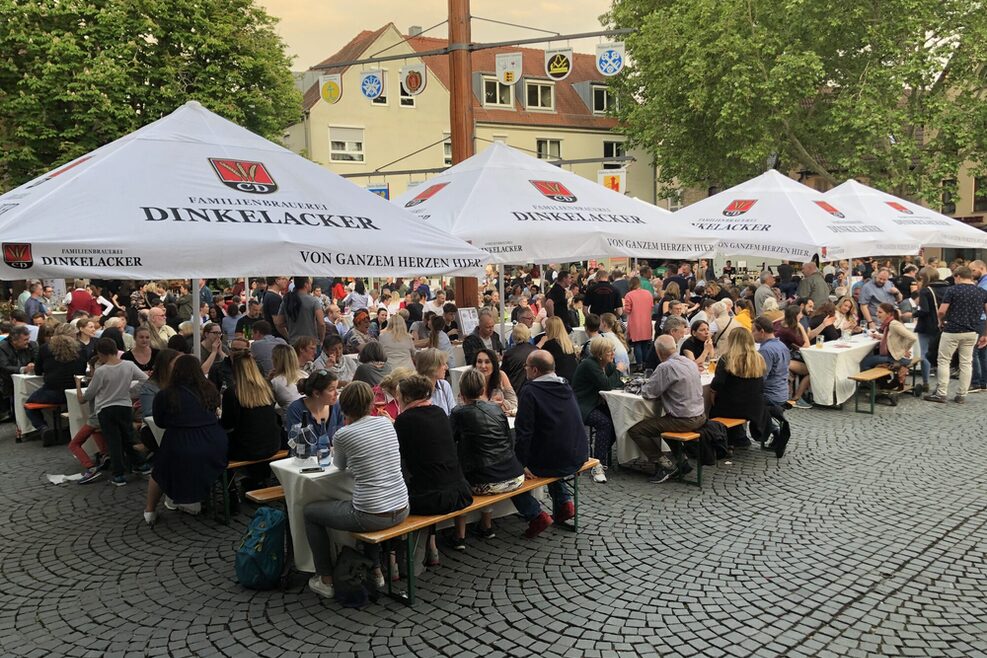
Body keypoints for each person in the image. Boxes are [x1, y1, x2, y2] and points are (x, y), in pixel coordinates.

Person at [303, 381, 409, 598]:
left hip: (371, 515)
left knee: (310, 513)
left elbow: (339, 466)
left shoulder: (344, 434)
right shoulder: (386, 424)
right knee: (366, 500)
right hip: (402, 506)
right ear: (370, 403)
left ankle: (325, 578)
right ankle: (376, 571)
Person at [393, 375, 473, 563]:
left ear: (406, 397)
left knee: (399, 495)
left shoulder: (404, 421)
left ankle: (398, 559)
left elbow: (400, 457)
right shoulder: (438, 412)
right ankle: (432, 546)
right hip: (460, 491)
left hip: (432, 497)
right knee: (426, 477)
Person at [144, 355, 227, 524]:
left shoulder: (166, 394)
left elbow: (159, 422)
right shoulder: (210, 389)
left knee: (159, 469)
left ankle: (150, 509)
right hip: (214, 441)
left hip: (181, 442)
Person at [513, 350, 588, 537]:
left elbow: (524, 432)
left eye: (527, 367)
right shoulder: (565, 385)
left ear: (535, 370)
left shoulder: (530, 391)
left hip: (553, 460)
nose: (525, 370)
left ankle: (535, 514)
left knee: (510, 473)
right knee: (552, 448)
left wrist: (520, 464)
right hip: (577, 453)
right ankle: (564, 503)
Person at [449, 368, 526, 548]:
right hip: (514, 475)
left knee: (459, 478)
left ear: (461, 390)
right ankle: (486, 526)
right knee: (479, 471)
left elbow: (450, 442)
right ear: (483, 388)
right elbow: (508, 440)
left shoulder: (458, 412)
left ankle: (460, 536)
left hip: (485, 482)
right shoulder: (495, 408)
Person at [627, 335, 706, 483]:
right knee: (665, 423)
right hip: (700, 415)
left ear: (658, 352)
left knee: (636, 430)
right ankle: (681, 461)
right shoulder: (688, 362)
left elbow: (648, 393)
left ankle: (664, 465)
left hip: (684, 419)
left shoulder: (665, 367)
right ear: (675, 347)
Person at [925, 266, 987, 403]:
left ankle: (941, 393)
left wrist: (941, 321)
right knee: (966, 363)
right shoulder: (981, 292)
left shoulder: (952, 290)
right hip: (972, 331)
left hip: (952, 330)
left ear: (958, 276)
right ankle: (961, 395)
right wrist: (985, 333)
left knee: (944, 361)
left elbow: (942, 311)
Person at [220, 352, 280, 494]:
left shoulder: (232, 393)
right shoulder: (266, 387)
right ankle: (256, 479)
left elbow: (227, 424)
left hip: (248, 448)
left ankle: (231, 491)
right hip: (273, 443)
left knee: (218, 449)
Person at [571, 337, 623, 483]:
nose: (613, 354)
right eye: (609, 352)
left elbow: (616, 382)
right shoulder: (589, 365)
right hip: (581, 406)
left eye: (612, 351)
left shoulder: (605, 364)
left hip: (595, 403)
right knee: (605, 423)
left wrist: (615, 372)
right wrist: (618, 370)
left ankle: (601, 452)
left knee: (617, 418)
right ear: (600, 354)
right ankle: (597, 464)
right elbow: (607, 385)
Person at [25, 325, 87, 440]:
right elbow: (82, 369)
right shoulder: (81, 347)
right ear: (73, 335)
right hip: (76, 391)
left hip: (53, 392)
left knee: (28, 405)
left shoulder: (45, 348)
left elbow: (38, 371)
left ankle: (43, 427)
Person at [709, 330, 766, 446]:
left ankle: (722, 441)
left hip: (731, 407)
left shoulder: (727, 359)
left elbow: (717, 383)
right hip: (754, 407)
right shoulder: (758, 359)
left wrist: (712, 393)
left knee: (713, 409)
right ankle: (739, 437)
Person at [860, 303, 917, 389]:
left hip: (899, 358)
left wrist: (905, 349)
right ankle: (881, 382)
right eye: (877, 312)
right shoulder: (889, 323)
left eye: (880, 312)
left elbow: (912, 337)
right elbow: (893, 337)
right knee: (874, 358)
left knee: (865, 362)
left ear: (889, 314)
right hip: (897, 355)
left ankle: (875, 386)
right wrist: (881, 337)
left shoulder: (893, 324)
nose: (877, 314)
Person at [137, 348, 180, 453]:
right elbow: (148, 413)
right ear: (166, 364)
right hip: (154, 427)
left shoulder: (180, 382)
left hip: (177, 423)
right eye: (176, 363)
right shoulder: (149, 387)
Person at [285, 370, 344, 445]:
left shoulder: (337, 406)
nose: (337, 393)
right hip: (303, 456)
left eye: (337, 388)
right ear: (316, 393)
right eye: (331, 389)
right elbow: (297, 443)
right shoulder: (296, 409)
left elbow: (341, 437)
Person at [776, 305, 812, 408]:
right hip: (783, 360)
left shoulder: (780, 325)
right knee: (811, 371)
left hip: (780, 357)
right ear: (795, 316)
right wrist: (800, 327)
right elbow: (807, 345)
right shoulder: (790, 331)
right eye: (800, 314)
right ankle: (797, 398)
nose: (801, 316)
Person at [0, 325, 39, 420]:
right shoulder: (2, 348)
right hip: (7, 379)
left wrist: (33, 364)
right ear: (14, 340)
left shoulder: (32, 345)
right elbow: (4, 367)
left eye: (28, 338)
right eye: (25, 340)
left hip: (29, 379)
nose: (28, 342)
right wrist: (23, 369)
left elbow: (38, 360)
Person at [752, 316, 791, 408]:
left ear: (762, 332)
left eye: (753, 331)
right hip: (783, 392)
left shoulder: (765, 350)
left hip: (770, 396)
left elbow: (760, 377)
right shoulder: (782, 346)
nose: (751, 334)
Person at [912, 268, 941, 395]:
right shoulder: (947, 288)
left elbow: (924, 310)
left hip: (925, 326)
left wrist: (912, 314)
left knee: (924, 354)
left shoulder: (925, 290)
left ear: (924, 278)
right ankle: (941, 385)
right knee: (941, 357)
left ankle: (925, 382)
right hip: (941, 326)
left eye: (919, 279)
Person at [275, 276, 325, 344]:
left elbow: (278, 323)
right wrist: (321, 340)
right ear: (306, 284)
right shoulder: (313, 301)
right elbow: (321, 323)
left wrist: (288, 336)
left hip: (294, 341)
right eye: (310, 283)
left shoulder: (287, 300)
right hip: (310, 342)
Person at [535, 316, 578, 382]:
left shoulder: (550, 345)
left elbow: (535, 358)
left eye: (546, 327)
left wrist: (540, 343)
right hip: (572, 379)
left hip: (558, 380)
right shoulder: (568, 344)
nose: (545, 329)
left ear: (550, 329)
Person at [623, 276, 654, 368]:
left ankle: (639, 365)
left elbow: (627, 310)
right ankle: (645, 364)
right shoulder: (648, 293)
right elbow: (651, 307)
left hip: (635, 323)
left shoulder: (629, 295)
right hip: (646, 322)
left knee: (637, 345)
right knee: (645, 344)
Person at [268, 343, 305, 412]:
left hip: (291, 419)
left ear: (276, 361)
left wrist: (267, 382)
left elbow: (267, 404)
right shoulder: (305, 374)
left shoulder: (275, 382)